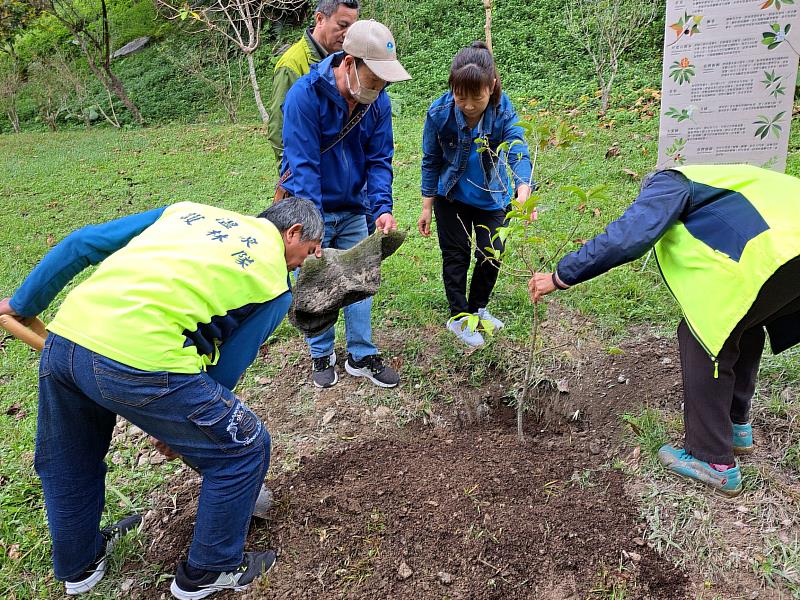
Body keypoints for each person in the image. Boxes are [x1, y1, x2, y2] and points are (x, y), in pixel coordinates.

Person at [0, 198, 324, 598]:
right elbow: (226, 371)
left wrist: (22, 303)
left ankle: (79, 565)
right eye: (310, 250)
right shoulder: (275, 285)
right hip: (144, 360)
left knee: (70, 458)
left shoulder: (186, 211)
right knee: (243, 448)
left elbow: (83, 242)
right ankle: (209, 571)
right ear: (292, 233)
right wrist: (184, 427)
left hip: (68, 339)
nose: (308, 260)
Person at [528, 165, 800, 497]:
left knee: (702, 336)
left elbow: (629, 237)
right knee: (744, 322)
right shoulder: (722, 181)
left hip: (776, 256)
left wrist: (560, 276)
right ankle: (735, 426)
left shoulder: (670, 181)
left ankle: (713, 461)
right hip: (790, 250)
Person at [280, 19, 411, 389]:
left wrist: (382, 207)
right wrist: (312, 228)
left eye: (384, 81)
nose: (378, 88)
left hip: (355, 207)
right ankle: (321, 352)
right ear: (349, 63)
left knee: (360, 280)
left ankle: (361, 354)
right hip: (312, 209)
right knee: (315, 282)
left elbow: (379, 159)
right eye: (374, 79)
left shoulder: (378, 103)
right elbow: (303, 166)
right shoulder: (304, 97)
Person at [418, 41, 533, 348]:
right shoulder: (439, 112)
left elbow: (516, 146)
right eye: (460, 96)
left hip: (492, 194)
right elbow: (431, 159)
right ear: (452, 88)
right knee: (455, 256)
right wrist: (427, 206)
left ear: (491, 86)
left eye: (476, 96)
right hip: (451, 196)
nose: (468, 105)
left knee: (491, 253)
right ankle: (459, 318)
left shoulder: (502, 108)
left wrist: (523, 187)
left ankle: (478, 310)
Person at [267, 0, 360, 165]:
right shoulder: (292, 65)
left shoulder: (346, 59)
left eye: (352, 28)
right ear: (320, 19)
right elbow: (279, 131)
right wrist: (292, 178)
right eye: (342, 25)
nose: (347, 34)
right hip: (309, 174)